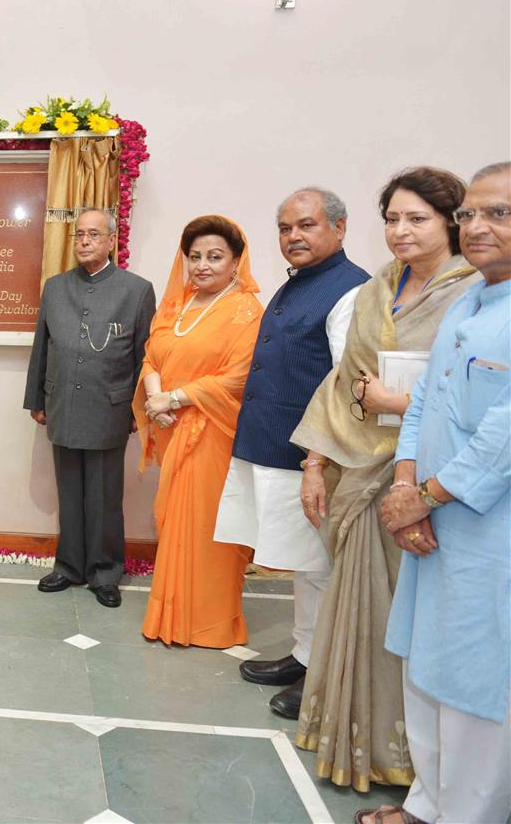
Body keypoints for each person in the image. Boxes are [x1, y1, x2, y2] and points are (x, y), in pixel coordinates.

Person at [292, 168, 478, 793]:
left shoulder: (474, 293)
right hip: (359, 467)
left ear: (452, 222)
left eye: (417, 219)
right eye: (393, 219)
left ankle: (419, 762)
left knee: (413, 618)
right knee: (361, 612)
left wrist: (399, 405)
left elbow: (473, 396)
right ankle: (356, 738)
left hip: (430, 482)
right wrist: (315, 461)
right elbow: (346, 377)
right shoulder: (378, 288)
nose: (401, 231)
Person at [356, 162, 511, 824]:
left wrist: (429, 495)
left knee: (478, 686)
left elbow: (503, 438)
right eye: (470, 213)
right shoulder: (469, 300)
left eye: (497, 213)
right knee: (426, 666)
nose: (477, 226)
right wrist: (402, 485)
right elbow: (421, 405)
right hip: (427, 518)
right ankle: (426, 805)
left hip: (486, 535)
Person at [223, 188, 370, 716]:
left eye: (306, 226)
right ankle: (305, 655)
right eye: (286, 228)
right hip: (274, 446)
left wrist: (318, 461)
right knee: (306, 566)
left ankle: (327, 673)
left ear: (340, 227)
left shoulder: (350, 290)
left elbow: (344, 384)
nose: (293, 237)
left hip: (311, 458)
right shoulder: (298, 285)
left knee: (324, 568)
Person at [134, 215, 262, 648]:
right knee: (174, 525)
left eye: (214, 256)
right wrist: (156, 400)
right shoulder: (178, 304)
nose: (202, 265)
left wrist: (174, 399)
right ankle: (170, 617)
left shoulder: (245, 310)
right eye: (195, 257)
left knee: (207, 528)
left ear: (235, 261)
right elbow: (152, 357)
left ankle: (208, 624)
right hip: (173, 428)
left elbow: (237, 378)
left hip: (213, 434)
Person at [24, 207, 156, 608]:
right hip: (62, 401)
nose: (84, 241)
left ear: (111, 240)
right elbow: (41, 348)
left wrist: (137, 408)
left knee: (103, 495)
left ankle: (104, 572)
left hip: (109, 406)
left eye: (93, 235)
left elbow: (144, 355)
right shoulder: (56, 287)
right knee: (69, 490)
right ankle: (69, 567)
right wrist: (37, 399)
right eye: (79, 235)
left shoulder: (136, 290)